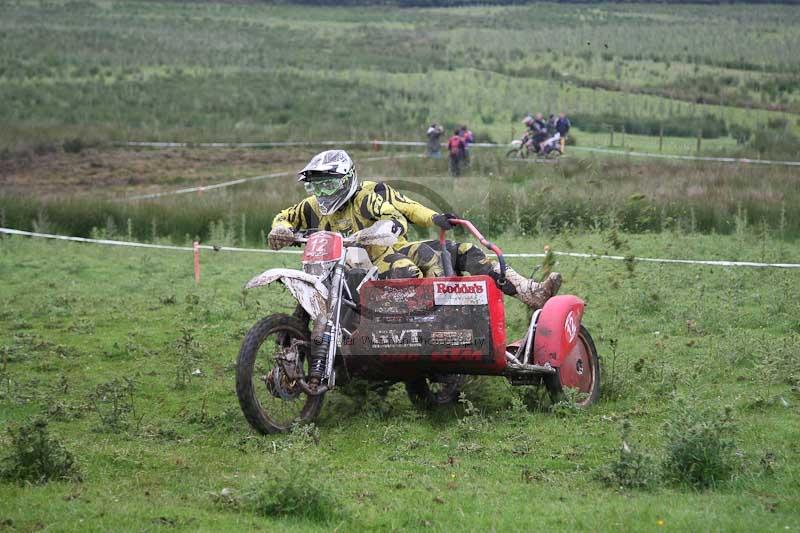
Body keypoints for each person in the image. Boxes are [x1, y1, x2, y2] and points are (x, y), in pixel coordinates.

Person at [268, 150, 561, 310]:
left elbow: (404, 208)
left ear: (347, 180)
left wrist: (434, 218)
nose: (323, 191)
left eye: (329, 184)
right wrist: (280, 230)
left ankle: (527, 291)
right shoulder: (311, 206)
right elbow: (285, 216)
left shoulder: (369, 195)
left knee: (463, 251)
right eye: (317, 185)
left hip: (387, 250)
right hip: (345, 268)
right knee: (408, 266)